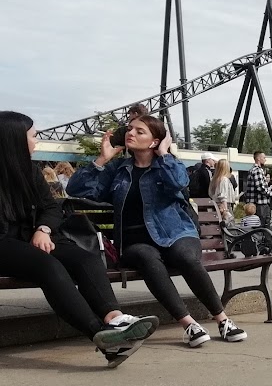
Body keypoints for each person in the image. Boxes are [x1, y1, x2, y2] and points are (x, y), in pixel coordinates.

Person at [68, 113, 247, 347]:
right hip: (135, 241)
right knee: (146, 258)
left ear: (154, 141)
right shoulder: (118, 169)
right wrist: (102, 159)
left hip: (175, 232)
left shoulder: (167, 164)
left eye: (139, 131)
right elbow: (76, 189)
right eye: (130, 129)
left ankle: (222, 320)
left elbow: (179, 182)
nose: (131, 133)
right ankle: (189, 325)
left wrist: (163, 153)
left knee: (185, 257)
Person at [0, 111, 160, 365]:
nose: (37, 141)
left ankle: (115, 319)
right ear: (14, 140)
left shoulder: (28, 170)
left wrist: (43, 229)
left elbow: (50, 207)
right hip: (4, 243)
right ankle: (101, 334)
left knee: (85, 258)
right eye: (32, 136)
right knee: (48, 266)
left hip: (33, 237)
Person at [209, 159, 238, 225]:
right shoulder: (224, 179)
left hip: (216, 205)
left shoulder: (213, 179)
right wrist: (226, 210)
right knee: (230, 225)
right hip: (225, 206)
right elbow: (223, 196)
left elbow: (211, 194)